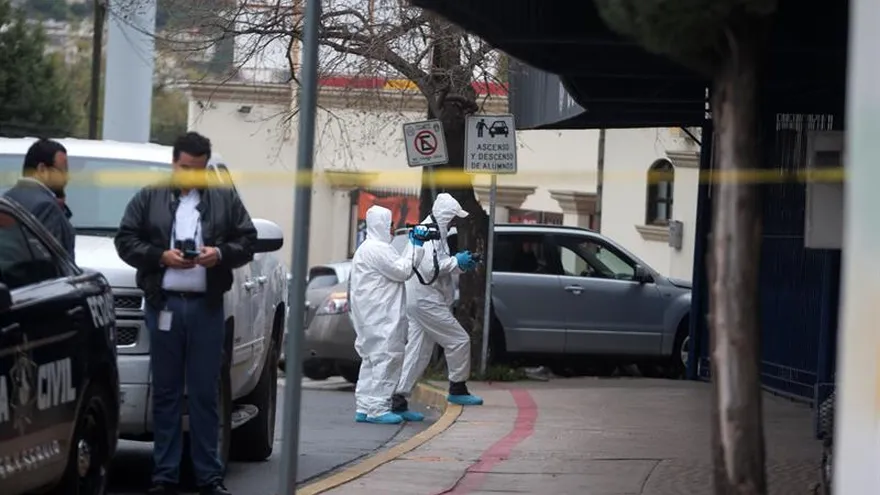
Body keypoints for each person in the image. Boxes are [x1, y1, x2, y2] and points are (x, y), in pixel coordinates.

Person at [114, 132, 256, 495]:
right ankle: (165, 475)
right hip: (165, 305)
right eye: (182, 167)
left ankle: (208, 476)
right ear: (174, 164)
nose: (188, 175)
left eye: (195, 169)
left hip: (207, 308)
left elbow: (247, 240)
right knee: (166, 393)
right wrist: (160, 256)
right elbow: (125, 240)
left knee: (206, 393)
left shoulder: (224, 199)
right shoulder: (150, 197)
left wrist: (219, 254)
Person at [393, 193, 483, 417]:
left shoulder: (438, 231)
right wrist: (456, 261)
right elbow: (427, 269)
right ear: (445, 215)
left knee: (418, 352)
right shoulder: (428, 233)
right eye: (453, 217)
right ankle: (457, 387)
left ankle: (398, 399)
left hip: (422, 300)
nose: (455, 222)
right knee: (459, 340)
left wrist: (461, 263)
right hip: (425, 300)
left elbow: (439, 265)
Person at [349, 205, 427, 424]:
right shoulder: (378, 249)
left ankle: (364, 406)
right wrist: (416, 245)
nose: (393, 229)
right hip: (382, 316)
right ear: (381, 225)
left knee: (371, 360)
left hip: (370, 316)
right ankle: (378, 408)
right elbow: (402, 271)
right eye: (390, 224)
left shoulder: (367, 247)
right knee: (387, 358)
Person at [3, 138, 75, 258]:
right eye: (63, 171)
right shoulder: (45, 207)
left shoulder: (7, 198)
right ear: (42, 169)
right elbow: (50, 262)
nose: (67, 178)